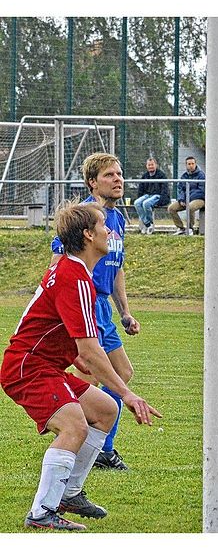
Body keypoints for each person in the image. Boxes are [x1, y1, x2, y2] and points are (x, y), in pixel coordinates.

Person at [2, 200, 161, 530]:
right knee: (75, 424)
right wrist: (129, 394)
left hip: (42, 363)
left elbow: (54, 327)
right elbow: (90, 350)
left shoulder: (77, 273)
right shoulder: (74, 277)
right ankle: (42, 513)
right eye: (103, 226)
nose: (109, 231)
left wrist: (75, 358)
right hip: (29, 367)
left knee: (104, 410)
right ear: (88, 235)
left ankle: (69, 493)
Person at [52, 152, 141, 471]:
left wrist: (125, 312)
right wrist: (60, 306)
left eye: (119, 174)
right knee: (88, 376)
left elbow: (117, 269)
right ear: (92, 182)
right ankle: (78, 438)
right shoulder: (85, 217)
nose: (118, 179)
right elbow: (57, 260)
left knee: (121, 373)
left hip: (102, 305)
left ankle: (95, 443)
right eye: (109, 175)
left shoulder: (116, 219)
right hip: (84, 301)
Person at [168, 156, 205, 236]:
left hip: (199, 199)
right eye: (189, 164)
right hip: (186, 199)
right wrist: (181, 199)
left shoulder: (201, 175)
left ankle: (190, 228)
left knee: (190, 207)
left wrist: (188, 198)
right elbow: (180, 189)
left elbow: (202, 191)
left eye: (192, 163)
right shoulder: (184, 176)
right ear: (186, 165)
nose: (191, 165)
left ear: (195, 164)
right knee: (171, 208)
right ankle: (180, 228)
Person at [133, 157, 170, 235]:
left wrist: (161, 201)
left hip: (157, 195)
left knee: (146, 204)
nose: (150, 166)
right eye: (149, 165)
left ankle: (150, 224)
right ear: (146, 166)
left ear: (156, 165)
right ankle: (147, 224)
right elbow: (141, 189)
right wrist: (140, 197)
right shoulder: (145, 176)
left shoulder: (161, 175)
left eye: (152, 165)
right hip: (147, 195)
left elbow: (165, 190)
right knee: (137, 203)